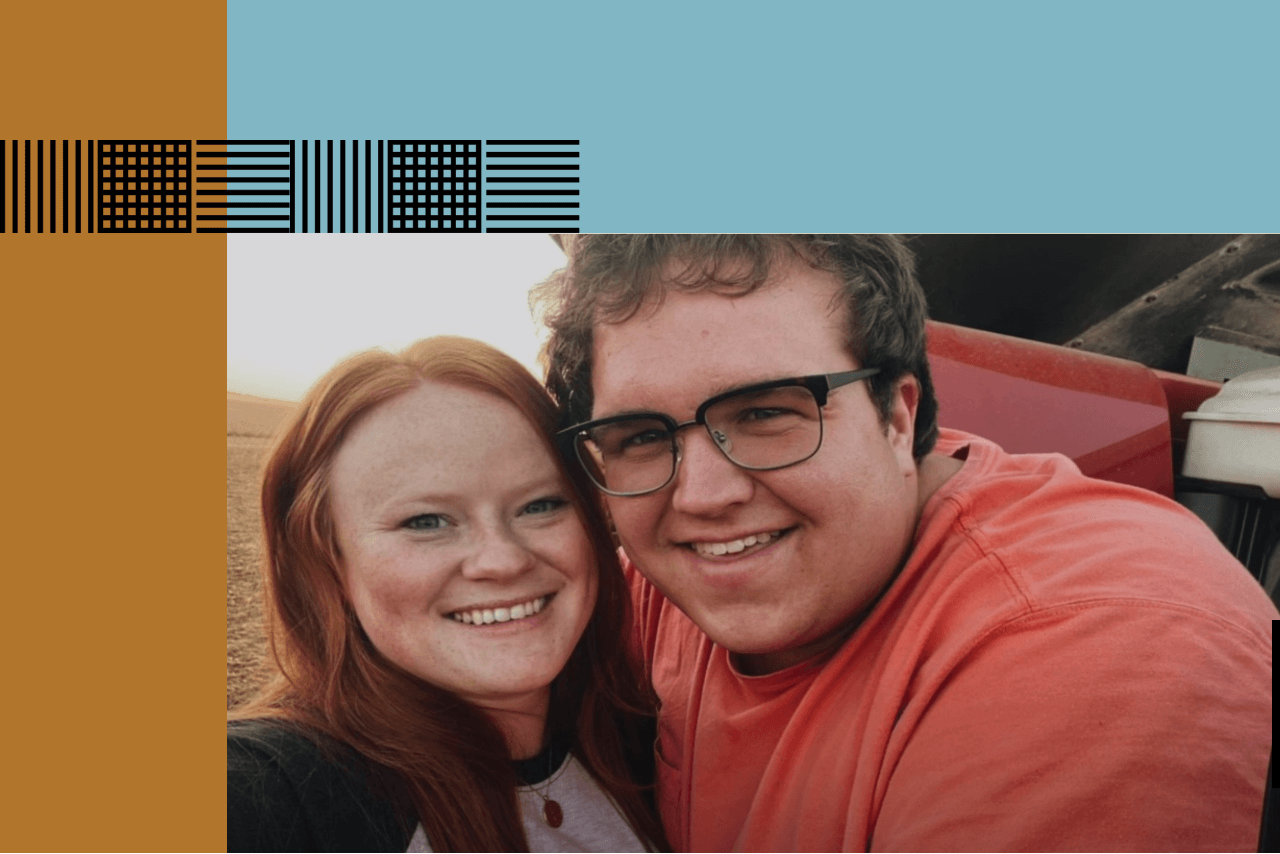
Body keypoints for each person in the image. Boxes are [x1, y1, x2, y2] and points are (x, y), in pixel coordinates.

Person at [533, 235, 1277, 852]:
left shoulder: (1097, 637)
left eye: (765, 413)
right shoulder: (658, 590)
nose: (700, 496)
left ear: (896, 417)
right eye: (639, 436)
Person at [228, 336, 669, 853]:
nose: (503, 560)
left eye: (541, 505)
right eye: (426, 521)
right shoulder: (272, 792)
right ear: (328, 563)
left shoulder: (646, 745)